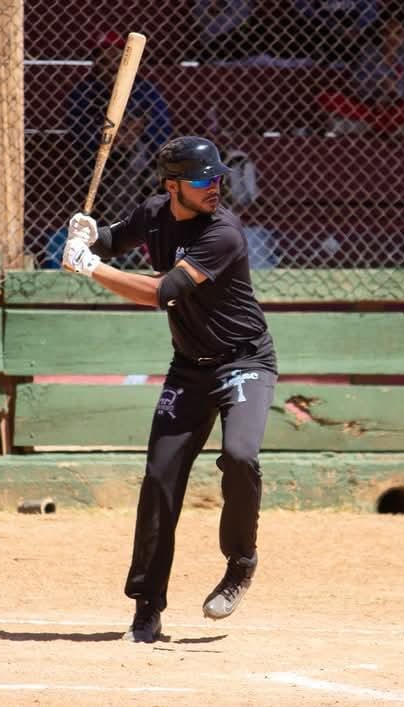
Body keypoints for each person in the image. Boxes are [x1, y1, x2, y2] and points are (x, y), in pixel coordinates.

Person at [61, 136, 278, 643]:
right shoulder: (155, 212)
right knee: (160, 479)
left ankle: (240, 561)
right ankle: (147, 605)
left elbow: (162, 292)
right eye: (204, 181)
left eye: (219, 179)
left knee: (241, 457)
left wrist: (89, 266)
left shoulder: (223, 232)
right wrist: (87, 235)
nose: (215, 188)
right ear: (172, 185)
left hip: (244, 360)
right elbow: (114, 238)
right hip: (190, 368)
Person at [59, 30, 173, 269]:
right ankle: (117, 244)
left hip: (141, 162)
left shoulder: (144, 90)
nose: (110, 64)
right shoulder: (84, 92)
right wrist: (115, 135)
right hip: (95, 161)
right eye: (104, 58)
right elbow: (80, 132)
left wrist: (135, 133)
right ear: (95, 61)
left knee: (132, 161)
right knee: (120, 163)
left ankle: (127, 245)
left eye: (116, 58)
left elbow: (162, 131)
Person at [317, 7, 404, 134]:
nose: (391, 38)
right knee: (327, 98)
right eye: (385, 32)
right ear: (379, 33)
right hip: (371, 105)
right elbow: (355, 82)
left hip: (402, 103)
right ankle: (389, 127)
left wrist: (397, 88)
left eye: (398, 33)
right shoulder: (368, 52)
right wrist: (378, 89)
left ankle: (369, 126)